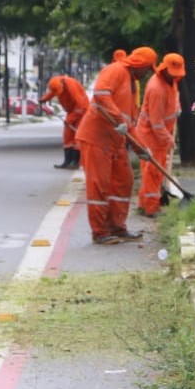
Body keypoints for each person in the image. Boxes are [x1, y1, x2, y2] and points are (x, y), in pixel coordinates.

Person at [79, 45, 158, 245]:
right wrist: (118, 120)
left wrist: (142, 149)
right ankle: (100, 232)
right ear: (140, 65)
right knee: (99, 185)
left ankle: (117, 226)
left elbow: (129, 123)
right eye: (148, 68)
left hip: (115, 141)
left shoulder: (132, 83)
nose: (148, 73)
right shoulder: (116, 70)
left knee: (124, 181)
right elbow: (101, 94)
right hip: (96, 138)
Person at [134, 52, 186, 217]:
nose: (175, 76)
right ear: (164, 69)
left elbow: (174, 97)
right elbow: (156, 123)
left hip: (160, 135)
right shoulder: (156, 89)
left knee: (155, 171)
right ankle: (151, 208)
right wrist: (168, 139)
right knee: (152, 173)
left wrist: (177, 108)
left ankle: (144, 205)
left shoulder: (172, 81)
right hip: (150, 136)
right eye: (173, 72)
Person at [40, 75, 90, 169]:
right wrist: (44, 99)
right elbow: (53, 92)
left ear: (62, 84)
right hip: (71, 111)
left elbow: (81, 106)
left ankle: (75, 162)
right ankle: (67, 162)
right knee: (67, 136)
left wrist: (70, 120)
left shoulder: (72, 86)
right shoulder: (57, 84)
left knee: (77, 137)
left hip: (81, 112)